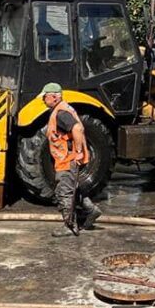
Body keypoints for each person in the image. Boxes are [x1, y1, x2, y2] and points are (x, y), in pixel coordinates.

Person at [39, 83, 102, 237]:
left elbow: (77, 129)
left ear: (54, 97)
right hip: (66, 158)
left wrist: (79, 151)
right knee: (72, 187)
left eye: (45, 97)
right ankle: (90, 210)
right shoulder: (62, 109)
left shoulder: (61, 113)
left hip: (67, 159)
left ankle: (69, 225)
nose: (43, 100)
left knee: (64, 192)